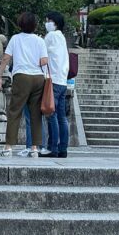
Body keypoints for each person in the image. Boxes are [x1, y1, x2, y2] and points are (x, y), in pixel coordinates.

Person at [0, 12, 49, 157]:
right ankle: (35, 148)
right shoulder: (39, 40)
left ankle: (8, 147)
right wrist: (34, 63)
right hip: (38, 78)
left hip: (21, 77)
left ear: (20, 24)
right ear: (34, 25)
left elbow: (6, 58)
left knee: (14, 112)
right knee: (35, 113)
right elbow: (44, 60)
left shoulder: (15, 39)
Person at [41, 10, 69, 159]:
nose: (46, 23)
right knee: (61, 117)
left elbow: (43, 54)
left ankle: (53, 148)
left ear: (54, 22)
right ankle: (63, 148)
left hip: (52, 80)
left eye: (48, 21)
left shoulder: (51, 36)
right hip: (63, 80)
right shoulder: (62, 37)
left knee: (50, 114)